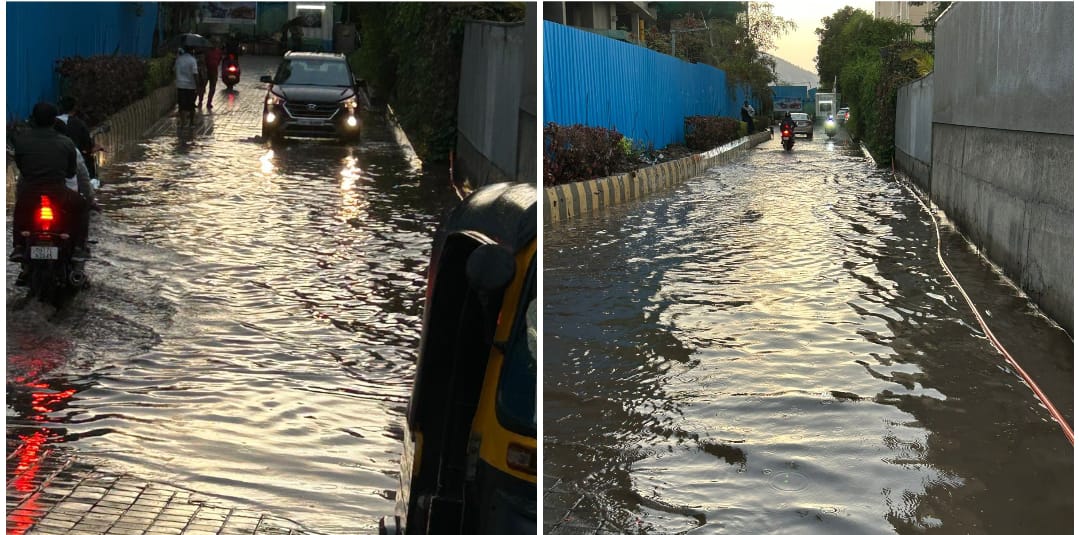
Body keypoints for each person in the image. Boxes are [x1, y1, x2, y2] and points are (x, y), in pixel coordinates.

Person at [10, 103, 91, 271]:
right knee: (83, 206)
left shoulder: (21, 141)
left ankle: (18, 246)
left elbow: (22, 168)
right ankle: (78, 248)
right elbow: (70, 173)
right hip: (59, 194)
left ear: (33, 119)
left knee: (19, 209)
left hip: (30, 195)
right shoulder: (66, 143)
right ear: (54, 120)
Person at [174, 47, 200, 127]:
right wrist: (197, 86)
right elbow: (195, 73)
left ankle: (183, 122)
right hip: (191, 86)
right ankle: (191, 123)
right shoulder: (193, 60)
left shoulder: (178, 60)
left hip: (180, 85)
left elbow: (174, 70)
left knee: (181, 105)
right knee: (191, 105)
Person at [203, 40, 223, 110]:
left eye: (215, 43)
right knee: (202, 86)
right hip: (206, 71)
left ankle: (209, 102)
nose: (214, 45)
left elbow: (220, 60)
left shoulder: (219, 52)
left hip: (214, 71)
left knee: (212, 87)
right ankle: (200, 101)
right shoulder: (206, 51)